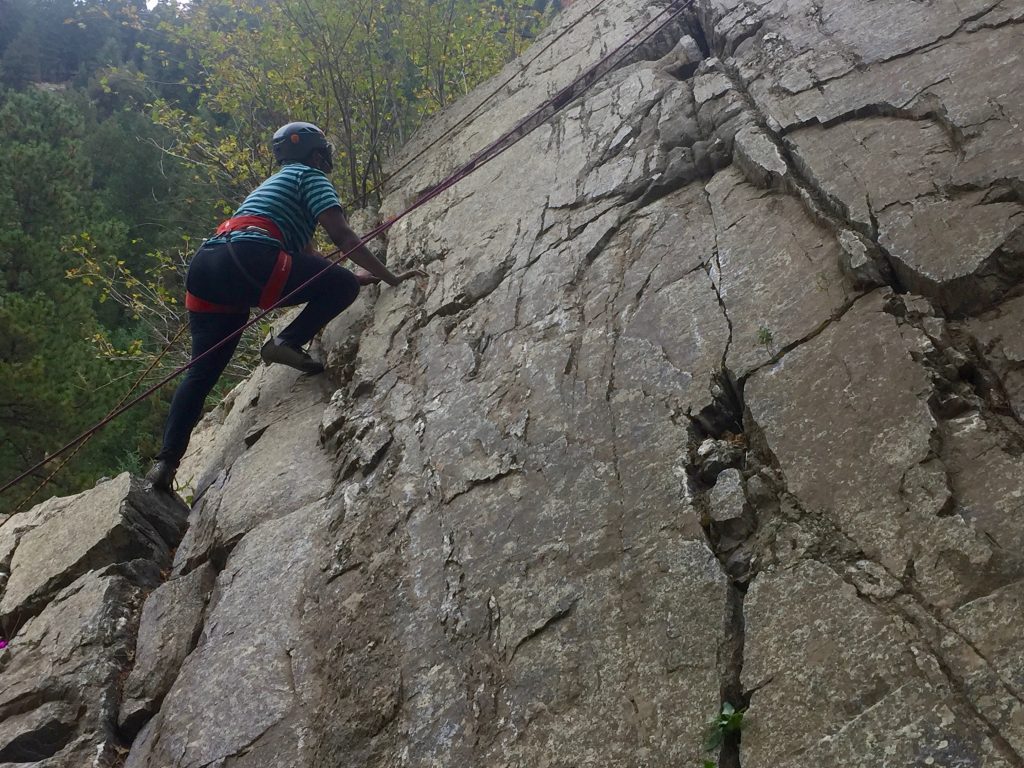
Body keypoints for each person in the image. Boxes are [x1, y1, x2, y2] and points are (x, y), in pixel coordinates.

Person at [145, 121, 422, 492]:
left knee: (201, 373)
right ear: (314, 153)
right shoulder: (310, 176)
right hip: (251, 256)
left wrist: (354, 279)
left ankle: (165, 464)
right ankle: (287, 341)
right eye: (323, 151)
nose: (326, 157)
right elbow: (341, 235)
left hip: (208, 265)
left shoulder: (272, 189)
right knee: (339, 284)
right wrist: (391, 278)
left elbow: (312, 268)